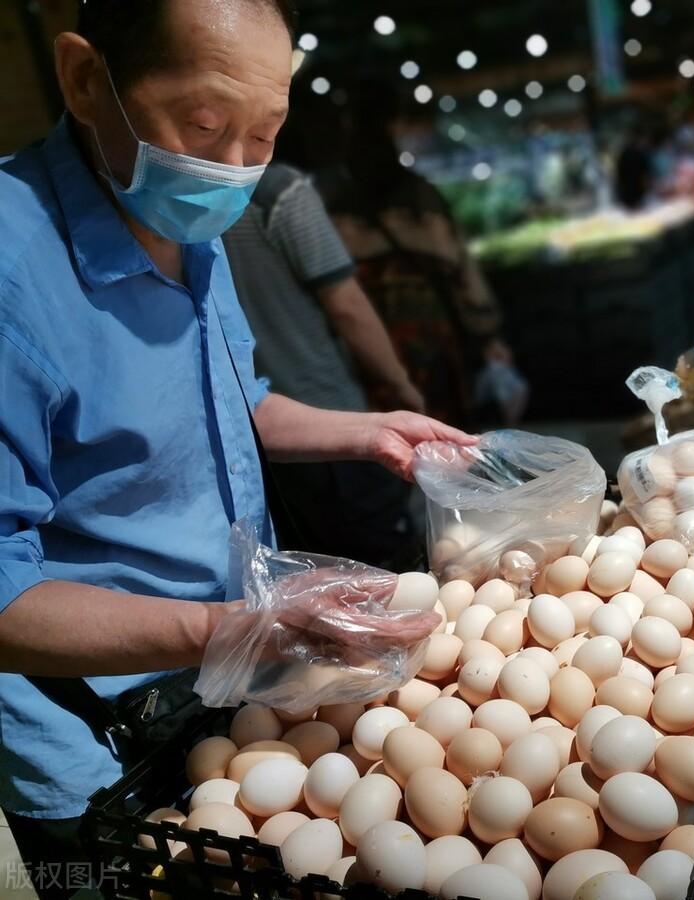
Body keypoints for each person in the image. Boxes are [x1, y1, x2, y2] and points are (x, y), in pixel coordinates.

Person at [0, 1, 465, 894]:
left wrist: (366, 429)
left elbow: (231, 399)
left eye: (265, 133)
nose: (236, 168)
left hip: (213, 685)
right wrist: (233, 631)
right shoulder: (16, 276)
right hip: (92, 741)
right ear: (87, 79)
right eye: (206, 126)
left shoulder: (182, 221)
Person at [223, 161, 426, 568]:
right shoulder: (277, 191)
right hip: (328, 424)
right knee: (389, 572)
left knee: (317, 571)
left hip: (260, 440)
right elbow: (346, 305)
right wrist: (402, 385)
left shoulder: (177, 202)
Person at [311, 85, 518, 429]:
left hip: (365, 355)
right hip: (431, 345)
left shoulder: (328, 205)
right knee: (442, 444)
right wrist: (488, 334)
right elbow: (464, 277)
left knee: (384, 442)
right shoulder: (423, 198)